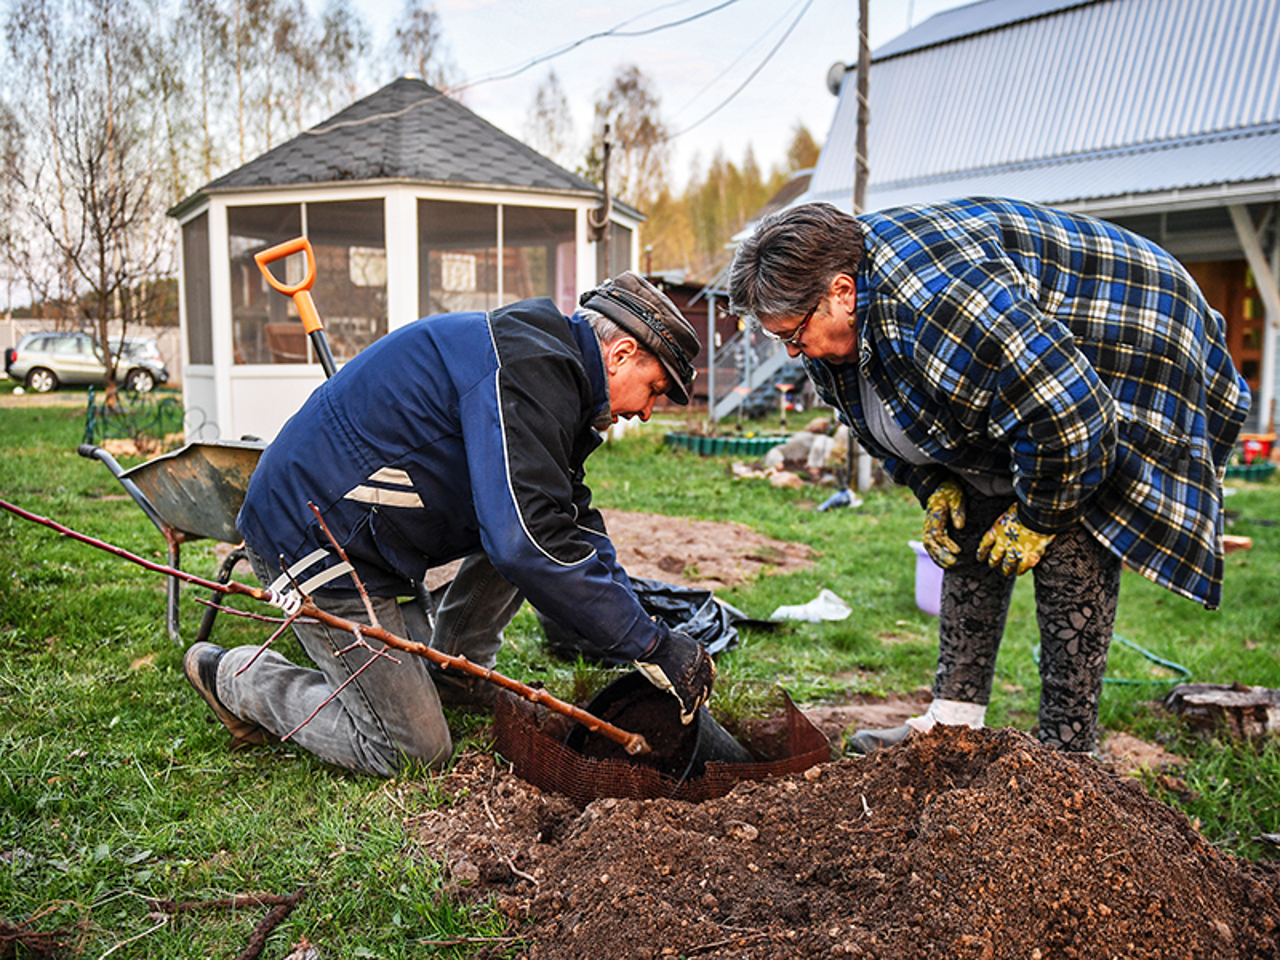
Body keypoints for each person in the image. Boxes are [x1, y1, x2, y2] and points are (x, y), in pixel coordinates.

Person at [728, 198, 1250, 755]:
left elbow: (1072, 416)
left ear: (842, 292)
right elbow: (881, 421)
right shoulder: (832, 335)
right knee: (969, 516)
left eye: (793, 333)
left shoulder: (939, 306)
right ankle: (953, 725)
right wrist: (934, 484)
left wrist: (1038, 515)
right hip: (1037, 366)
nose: (790, 350)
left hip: (1137, 326)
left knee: (1073, 526)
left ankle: (1068, 752)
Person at [183, 272, 716, 776]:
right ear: (622, 355)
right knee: (411, 750)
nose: (648, 411)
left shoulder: (548, 376)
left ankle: (458, 675)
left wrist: (653, 637)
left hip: (369, 542)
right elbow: (525, 544)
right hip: (314, 539)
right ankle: (237, 677)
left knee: (532, 525)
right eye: (654, 389)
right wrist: (646, 644)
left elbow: (562, 521)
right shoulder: (528, 371)